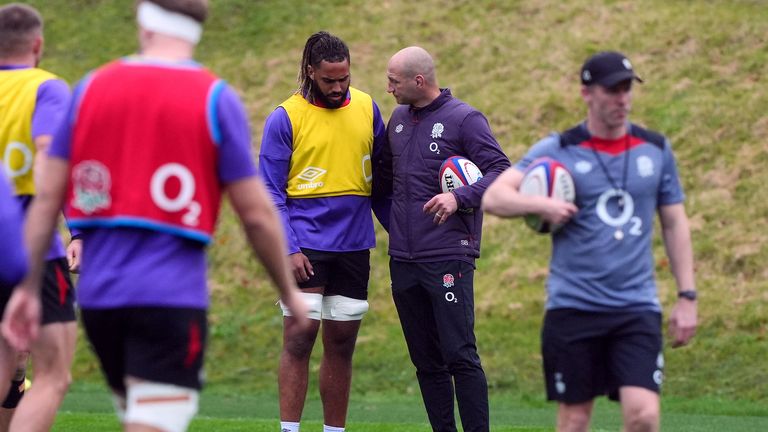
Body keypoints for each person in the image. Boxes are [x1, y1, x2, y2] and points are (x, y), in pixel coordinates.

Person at [1, 1, 308, 431]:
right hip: (169, 298)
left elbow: (48, 195)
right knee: (153, 421)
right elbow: (256, 214)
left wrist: (29, 285)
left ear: (143, 23)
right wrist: (289, 293)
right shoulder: (214, 98)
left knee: (139, 416)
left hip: (101, 300)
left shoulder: (90, 88)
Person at [482, 51, 697, 432]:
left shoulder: (655, 149)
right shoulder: (559, 148)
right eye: (612, 89)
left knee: (644, 417)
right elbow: (494, 197)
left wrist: (687, 296)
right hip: (574, 307)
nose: (622, 98)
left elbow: (675, 222)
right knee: (575, 421)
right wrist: (539, 204)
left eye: (627, 88)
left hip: (636, 307)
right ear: (587, 93)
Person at [374, 46, 510, 432]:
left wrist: (458, 197)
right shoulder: (398, 120)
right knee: (426, 362)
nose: (388, 89)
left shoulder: (464, 119)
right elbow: (382, 183)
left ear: (419, 81)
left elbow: (501, 170)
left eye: (393, 81)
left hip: (449, 257)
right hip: (404, 260)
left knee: (460, 355)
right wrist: (395, 227)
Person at [259, 31, 386, 432]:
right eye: (329, 79)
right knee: (300, 339)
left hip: (354, 246)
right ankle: (289, 429)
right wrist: (289, 249)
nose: (337, 87)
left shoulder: (367, 107)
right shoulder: (286, 117)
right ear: (310, 71)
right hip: (306, 246)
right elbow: (269, 192)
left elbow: (383, 182)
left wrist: (401, 234)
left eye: (344, 78)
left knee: (342, 343)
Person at [0, 3, 81, 431]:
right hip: (28, 242)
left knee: (9, 369)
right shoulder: (47, 88)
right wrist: (74, 229)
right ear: (37, 44)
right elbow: (50, 155)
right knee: (52, 374)